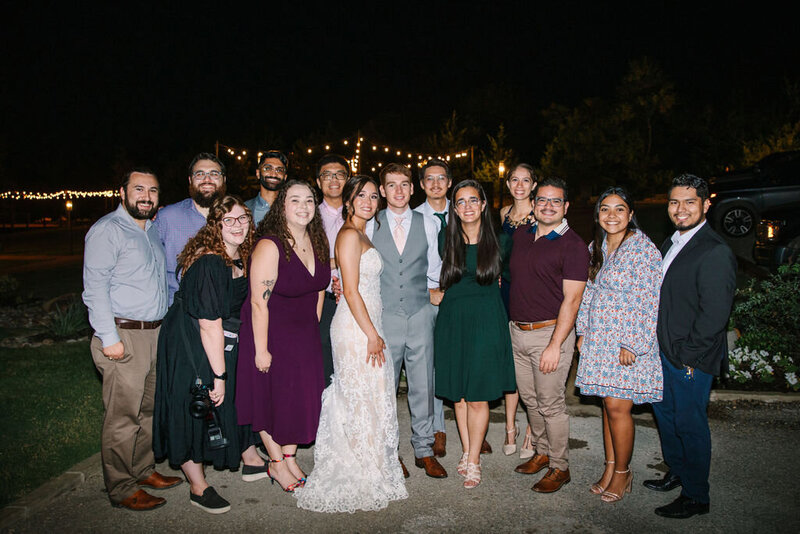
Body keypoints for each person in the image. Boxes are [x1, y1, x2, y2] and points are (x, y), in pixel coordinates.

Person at [295, 175, 408, 513]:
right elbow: (353, 290)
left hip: (368, 322)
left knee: (371, 396)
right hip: (356, 327)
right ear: (349, 199)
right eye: (362, 195)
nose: (369, 201)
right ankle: (360, 469)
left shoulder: (360, 234)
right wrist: (372, 334)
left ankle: (372, 465)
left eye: (374, 196)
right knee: (359, 396)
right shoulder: (347, 234)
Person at [153, 195, 266, 514]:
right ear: (215, 225)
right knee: (195, 403)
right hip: (191, 340)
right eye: (228, 220)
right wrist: (219, 375)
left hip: (217, 337)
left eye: (243, 218)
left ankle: (248, 458)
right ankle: (197, 486)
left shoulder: (239, 254)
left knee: (223, 402)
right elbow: (209, 325)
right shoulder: (210, 262)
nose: (237, 226)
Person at [82, 168, 182, 511]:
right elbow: (94, 289)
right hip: (123, 334)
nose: (146, 195)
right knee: (123, 416)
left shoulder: (151, 231)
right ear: (121, 192)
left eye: (153, 190)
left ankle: (142, 469)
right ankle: (121, 486)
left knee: (148, 410)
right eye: (139, 188)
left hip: (154, 333)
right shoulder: (107, 231)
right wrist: (109, 338)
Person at [645, 174, 736, 519]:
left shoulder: (714, 250)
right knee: (666, 417)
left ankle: (697, 495)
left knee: (689, 423)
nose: (680, 209)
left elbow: (715, 314)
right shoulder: (672, 242)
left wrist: (689, 356)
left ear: (705, 205)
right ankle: (678, 472)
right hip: (665, 352)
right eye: (674, 202)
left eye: (689, 202)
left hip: (690, 358)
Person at [236, 180, 330, 493]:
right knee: (268, 397)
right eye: (295, 200)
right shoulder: (270, 244)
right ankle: (276, 463)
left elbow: (319, 286)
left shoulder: (317, 240)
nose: (303, 207)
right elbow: (258, 303)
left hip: (303, 335)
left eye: (308, 201)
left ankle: (289, 456)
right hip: (270, 333)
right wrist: (261, 351)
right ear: (282, 206)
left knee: (297, 400)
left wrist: (313, 321)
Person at [574, 187, 663, 504]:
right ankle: (610, 466)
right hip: (600, 339)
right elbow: (588, 291)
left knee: (618, 407)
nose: (612, 215)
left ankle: (623, 473)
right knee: (606, 406)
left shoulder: (643, 250)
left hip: (627, 341)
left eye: (620, 209)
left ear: (631, 214)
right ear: (597, 215)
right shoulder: (596, 246)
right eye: (605, 209)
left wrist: (634, 343)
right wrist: (582, 330)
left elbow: (649, 300)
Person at [508, 177, 590, 493]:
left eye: (555, 201)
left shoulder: (573, 246)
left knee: (551, 404)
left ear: (566, 206)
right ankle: (542, 453)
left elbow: (573, 300)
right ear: (533, 203)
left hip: (549, 335)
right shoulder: (520, 236)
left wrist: (556, 344)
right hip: (517, 332)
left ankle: (560, 467)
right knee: (530, 400)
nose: (548, 205)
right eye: (542, 199)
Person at [434, 180, 516, 489]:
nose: (467, 206)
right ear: (454, 209)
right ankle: (467, 452)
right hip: (453, 319)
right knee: (459, 393)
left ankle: (474, 460)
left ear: (483, 204)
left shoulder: (502, 242)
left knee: (479, 394)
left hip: (486, 319)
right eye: (460, 202)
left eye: (473, 200)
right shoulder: (447, 236)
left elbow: (511, 279)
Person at [370, 163, 447, 479]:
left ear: (412, 188)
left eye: (404, 184)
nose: (399, 190)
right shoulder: (369, 224)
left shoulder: (427, 223)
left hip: (419, 314)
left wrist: (433, 299)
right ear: (383, 190)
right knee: (385, 388)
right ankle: (390, 453)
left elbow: (434, 268)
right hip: (385, 316)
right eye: (391, 185)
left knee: (422, 385)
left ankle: (424, 449)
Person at [412, 158, 452, 457]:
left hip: (462, 297)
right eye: (430, 178)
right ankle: (438, 429)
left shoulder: (468, 210)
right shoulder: (412, 218)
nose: (436, 184)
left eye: (441, 178)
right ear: (422, 184)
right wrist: (428, 292)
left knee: (461, 360)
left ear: (449, 182)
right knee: (431, 367)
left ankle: (470, 422)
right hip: (427, 297)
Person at [497, 163, 537, 457]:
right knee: (510, 362)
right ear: (508, 183)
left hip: (532, 293)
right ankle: (510, 427)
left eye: (526, 180)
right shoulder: (502, 215)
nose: (519, 185)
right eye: (514, 180)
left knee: (530, 367)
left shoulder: (543, 213)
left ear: (534, 184)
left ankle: (532, 431)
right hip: (504, 292)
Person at [155, 152, 227, 304]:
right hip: (178, 312)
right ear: (190, 180)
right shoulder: (167, 217)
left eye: (214, 174)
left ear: (224, 179)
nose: (207, 179)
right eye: (199, 174)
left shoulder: (237, 219)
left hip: (225, 312)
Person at [316, 154, 351, 388]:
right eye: (327, 175)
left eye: (339, 174)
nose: (334, 179)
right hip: (323, 300)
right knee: (326, 363)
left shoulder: (363, 213)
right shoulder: (310, 215)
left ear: (348, 179)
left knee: (353, 361)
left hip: (358, 298)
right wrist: (337, 263)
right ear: (319, 182)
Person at [245, 150, 289, 225]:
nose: (273, 174)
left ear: (285, 177)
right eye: (268, 168)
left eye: (279, 170)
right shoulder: (245, 208)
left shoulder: (292, 208)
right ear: (258, 173)